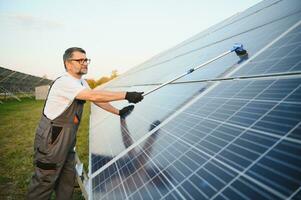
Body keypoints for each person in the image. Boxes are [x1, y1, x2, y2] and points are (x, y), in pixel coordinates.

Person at [26, 47, 143, 200]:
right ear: (68, 64)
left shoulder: (81, 82)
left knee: (66, 180)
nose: (85, 63)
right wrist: (126, 95)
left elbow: (96, 99)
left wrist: (118, 112)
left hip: (67, 139)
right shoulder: (65, 82)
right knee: (45, 180)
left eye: (86, 60)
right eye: (79, 60)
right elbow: (93, 95)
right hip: (52, 138)